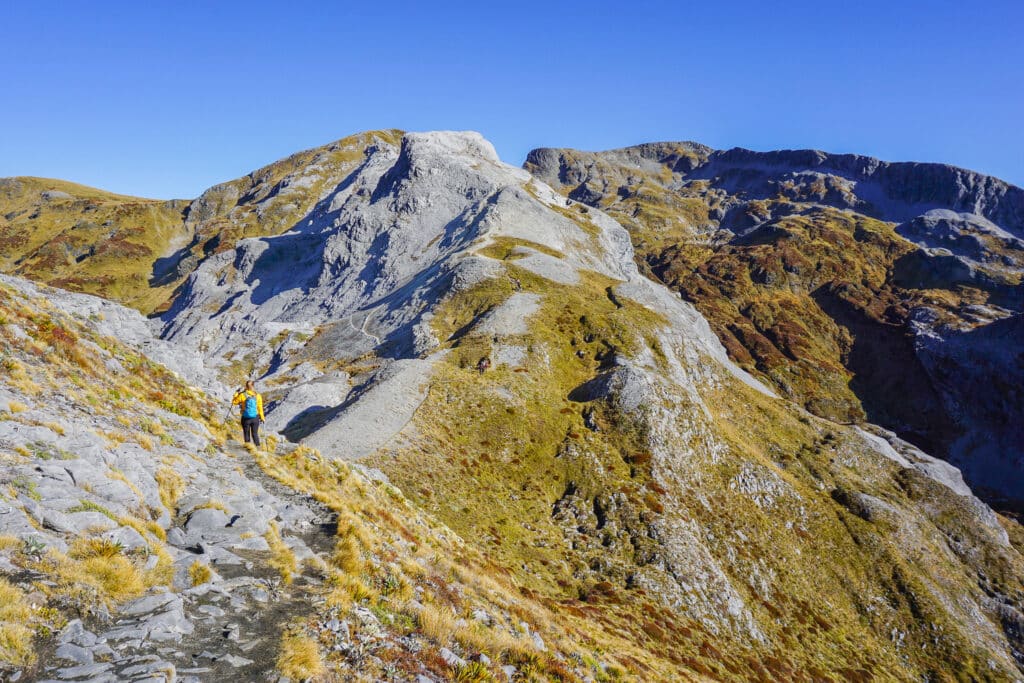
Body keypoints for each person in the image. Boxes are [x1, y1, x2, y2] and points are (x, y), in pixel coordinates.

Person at [232, 380, 265, 447]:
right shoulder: (258, 396)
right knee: (255, 434)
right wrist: (262, 417)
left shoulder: (242, 395)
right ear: (253, 386)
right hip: (255, 417)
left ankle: (248, 448)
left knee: (246, 433)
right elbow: (260, 407)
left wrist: (236, 393)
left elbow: (234, 402)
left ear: (246, 386)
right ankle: (258, 449)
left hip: (245, 417)